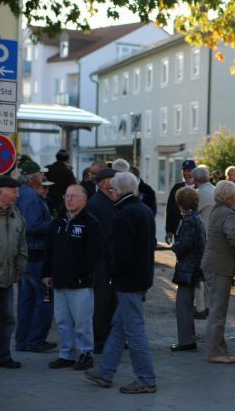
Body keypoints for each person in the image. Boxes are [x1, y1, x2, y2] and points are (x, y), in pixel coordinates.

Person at [85, 172, 157, 394]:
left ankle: (146, 379)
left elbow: (121, 254)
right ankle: (106, 372)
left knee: (134, 331)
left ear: (117, 191)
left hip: (128, 281)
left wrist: (112, 271)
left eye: (112, 189)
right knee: (119, 327)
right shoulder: (143, 210)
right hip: (139, 278)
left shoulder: (125, 214)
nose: (111, 193)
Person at [43, 185, 103, 370]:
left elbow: (94, 253)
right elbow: (49, 250)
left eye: (73, 196)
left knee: (82, 322)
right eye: (66, 195)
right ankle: (66, 354)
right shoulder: (58, 222)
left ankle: (86, 354)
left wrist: (79, 272)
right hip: (59, 282)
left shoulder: (91, 223)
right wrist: (46, 273)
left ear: (83, 200)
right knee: (62, 321)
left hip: (80, 284)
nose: (68, 199)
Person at [201, 180, 235, 364]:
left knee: (216, 309)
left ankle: (219, 347)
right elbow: (233, 235)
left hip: (214, 264)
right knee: (218, 311)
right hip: (219, 266)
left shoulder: (217, 209)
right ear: (229, 197)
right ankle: (215, 352)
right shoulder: (226, 212)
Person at [14, 161, 56, 353]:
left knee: (26, 301)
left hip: (27, 255)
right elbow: (31, 226)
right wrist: (54, 224)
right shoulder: (30, 197)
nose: (43, 177)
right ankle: (35, 340)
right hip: (36, 255)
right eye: (40, 174)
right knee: (44, 299)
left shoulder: (23, 193)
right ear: (32, 179)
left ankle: (23, 340)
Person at [0, 176, 27, 370]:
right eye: (13, 191)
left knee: (6, 319)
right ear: (0, 191)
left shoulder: (16, 213)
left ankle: (3, 357)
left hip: (8, 278)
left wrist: (19, 267)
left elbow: (22, 243)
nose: (17, 195)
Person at [86, 168, 119, 354]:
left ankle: (109, 335)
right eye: (113, 178)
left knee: (111, 299)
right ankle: (99, 338)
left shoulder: (110, 200)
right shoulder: (97, 203)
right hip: (101, 259)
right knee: (101, 299)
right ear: (104, 182)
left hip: (110, 257)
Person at [170, 188, 206, 352]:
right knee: (186, 304)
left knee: (183, 305)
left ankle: (186, 341)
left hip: (188, 268)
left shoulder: (189, 221)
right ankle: (188, 339)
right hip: (196, 267)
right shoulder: (197, 218)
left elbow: (184, 245)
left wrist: (175, 247)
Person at [191, 165, 215, 320]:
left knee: (198, 274)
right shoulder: (215, 189)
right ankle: (207, 306)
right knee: (209, 275)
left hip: (201, 237)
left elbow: (190, 213)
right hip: (213, 237)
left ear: (196, 179)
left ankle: (200, 307)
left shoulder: (200, 193)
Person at [165, 160, 196, 244]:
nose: (186, 173)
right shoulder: (177, 187)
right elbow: (170, 209)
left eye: (189, 171)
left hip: (195, 230)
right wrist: (169, 230)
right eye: (184, 171)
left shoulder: (199, 188)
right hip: (179, 230)